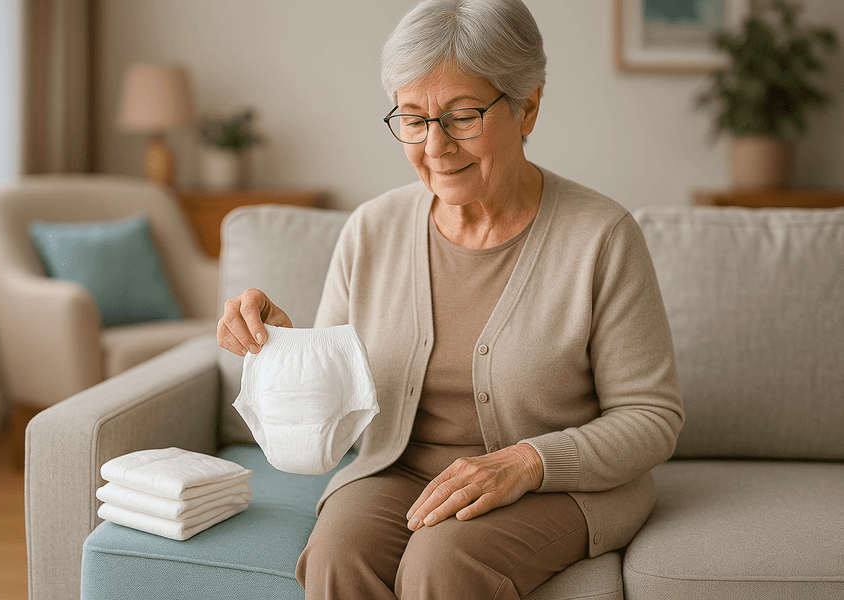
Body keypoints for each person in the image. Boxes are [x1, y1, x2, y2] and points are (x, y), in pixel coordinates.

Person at [217, 0, 685, 598]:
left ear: (527, 109)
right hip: (399, 470)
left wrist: (526, 462)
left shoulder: (602, 237)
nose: (434, 146)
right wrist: (280, 344)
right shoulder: (371, 228)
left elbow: (652, 418)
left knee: (442, 563)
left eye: (462, 116)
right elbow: (337, 393)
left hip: (556, 485)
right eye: (412, 119)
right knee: (335, 554)